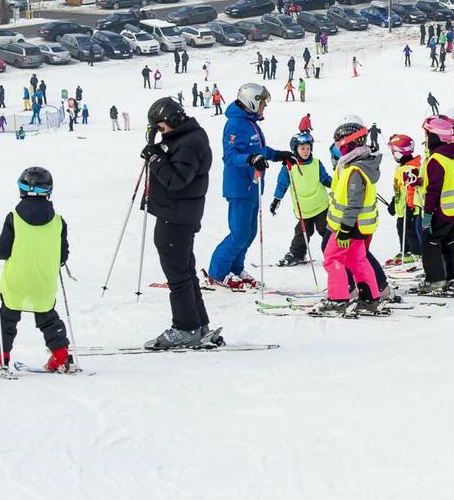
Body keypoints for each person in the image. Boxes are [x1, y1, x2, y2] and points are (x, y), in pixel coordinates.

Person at [141, 98, 217, 349]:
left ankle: (185, 327)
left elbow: (176, 180)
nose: (161, 132)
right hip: (178, 213)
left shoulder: (189, 142)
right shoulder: (187, 138)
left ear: (173, 120)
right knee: (185, 271)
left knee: (178, 275)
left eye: (162, 127)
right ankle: (198, 323)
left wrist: (155, 159)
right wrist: (157, 148)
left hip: (176, 216)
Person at [206, 83, 294, 287]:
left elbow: (258, 148)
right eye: (262, 102)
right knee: (239, 234)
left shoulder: (250, 122)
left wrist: (275, 155)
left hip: (253, 187)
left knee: (250, 233)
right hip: (240, 188)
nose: (265, 106)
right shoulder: (236, 124)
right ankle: (217, 272)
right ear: (251, 102)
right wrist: (251, 159)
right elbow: (230, 156)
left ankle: (236, 268)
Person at [0, 167, 71, 373]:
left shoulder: (14, 218)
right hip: (43, 282)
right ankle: (61, 358)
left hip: (16, 282)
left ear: (22, 190)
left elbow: (4, 250)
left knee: (6, 320)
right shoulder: (58, 221)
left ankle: (1, 359)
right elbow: (62, 256)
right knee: (48, 319)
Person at [311, 119, 384, 316]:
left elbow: (353, 203)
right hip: (356, 227)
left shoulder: (354, 170)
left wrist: (343, 230)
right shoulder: (360, 164)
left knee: (332, 258)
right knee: (356, 260)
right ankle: (371, 298)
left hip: (348, 227)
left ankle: (338, 299)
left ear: (347, 143)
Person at [418, 116, 454, 292]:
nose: (425, 140)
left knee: (430, 242)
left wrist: (427, 215)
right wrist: (419, 181)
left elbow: (434, 190)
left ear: (435, 136)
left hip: (444, 211)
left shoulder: (436, 160)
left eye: (427, 135)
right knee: (451, 241)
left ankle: (435, 280)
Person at [270, 132, 332, 266]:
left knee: (326, 230)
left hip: (321, 205)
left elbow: (325, 178)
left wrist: (336, 186)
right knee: (302, 233)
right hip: (303, 208)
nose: (305, 151)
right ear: (295, 149)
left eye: (308, 148)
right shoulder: (289, 166)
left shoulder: (316, 163)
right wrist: (276, 199)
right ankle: (297, 254)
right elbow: (282, 185)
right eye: (302, 148)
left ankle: (334, 251)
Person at [388, 133, 422, 263]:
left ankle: (416, 252)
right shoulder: (400, 168)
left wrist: (411, 207)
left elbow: (412, 189)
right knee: (401, 228)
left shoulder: (411, 169)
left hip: (411, 209)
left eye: (394, 152)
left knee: (411, 231)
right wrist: (393, 202)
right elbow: (400, 189)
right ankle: (405, 250)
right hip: (401, 208)